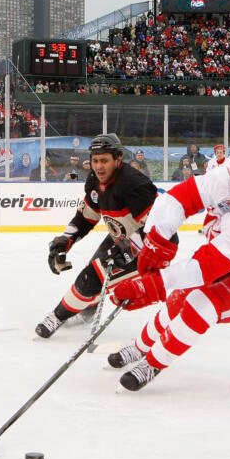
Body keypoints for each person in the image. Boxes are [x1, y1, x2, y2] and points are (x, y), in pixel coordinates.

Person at [106, 153, 230, 391]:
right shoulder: (225, 177)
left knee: (201, 303)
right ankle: (140, 347)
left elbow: (204, 267)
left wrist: (151, 284)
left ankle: (153, 364)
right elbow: (178, 199)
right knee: (179, 296)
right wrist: (158, 236)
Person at [34, 134, 169, 339]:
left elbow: (159, 227)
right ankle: (85, 314)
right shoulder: (94, 180)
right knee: (93, 272)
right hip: (120, 238)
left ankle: (56, 317)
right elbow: (87, 217)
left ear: (118, 159)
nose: (99, 166)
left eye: (104, 160)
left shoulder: (134, 184)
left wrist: (131, 247)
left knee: (91, 277)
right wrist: (66, 240)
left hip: (151, 249)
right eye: (95, 160)